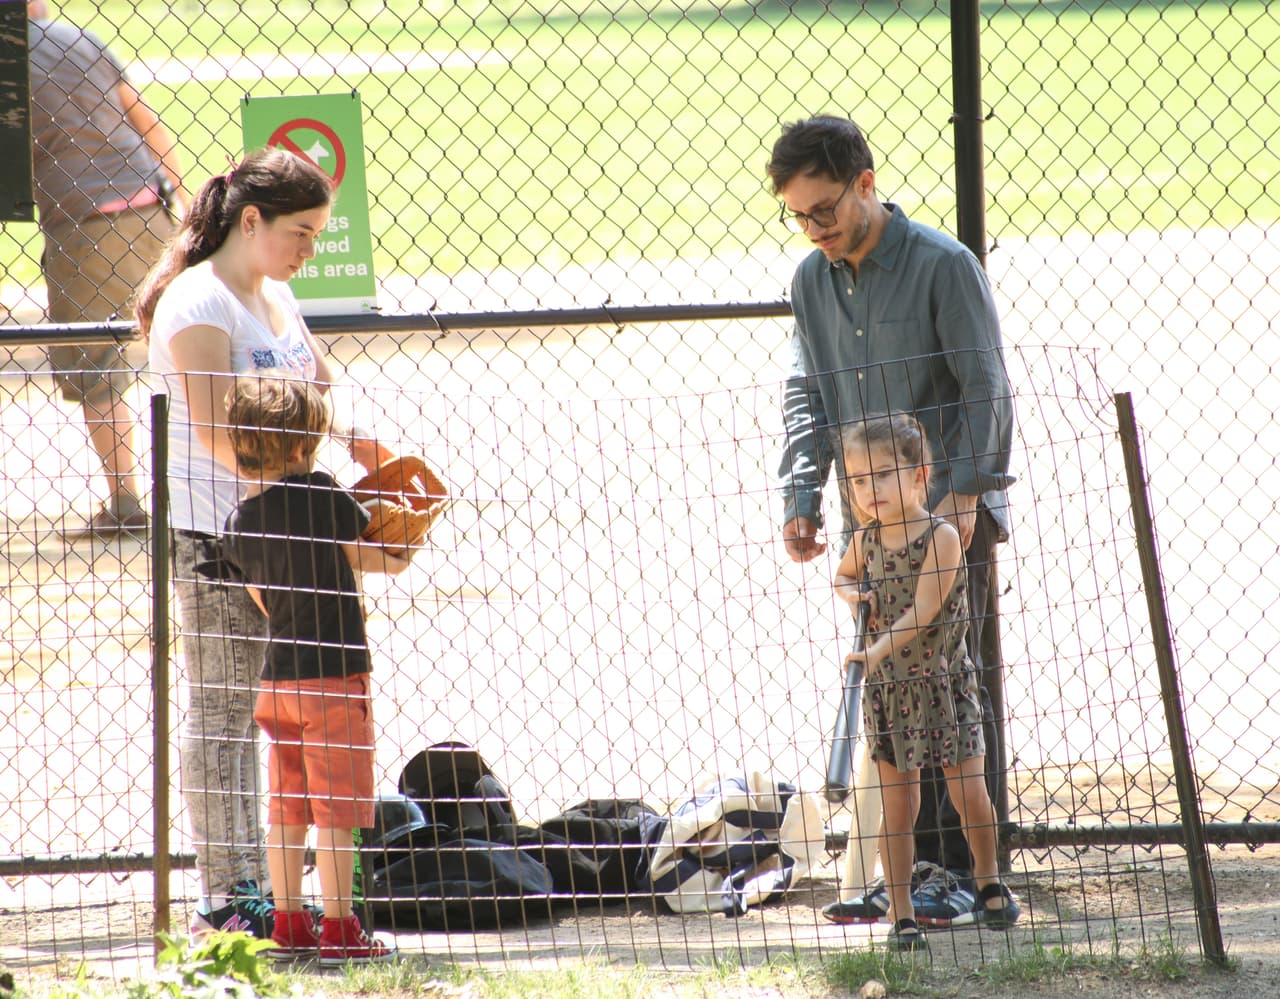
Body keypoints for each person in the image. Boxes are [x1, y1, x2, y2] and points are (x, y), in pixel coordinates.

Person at [765, 115, 1015, 914]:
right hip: (870, 526)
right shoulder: (811, 282)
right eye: (798, 216)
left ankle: (965, 877)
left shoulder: (943, 264)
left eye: (825, 209)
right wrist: (802, 496)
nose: (814, 229)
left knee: (949, 689)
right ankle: (903, 880)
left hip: (946, 518)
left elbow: (986, 386)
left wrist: (964, 492)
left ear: (866, 184)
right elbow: (808, 396)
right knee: (891, 692)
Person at [136, 147, 385, 939]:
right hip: (219, 534)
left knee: (278, 714)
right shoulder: (199, 302)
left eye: (317, 234)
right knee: (226, 709)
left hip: (281, 531)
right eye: (300, 232)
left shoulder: (273, 293)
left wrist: (357, 443)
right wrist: (298, 500)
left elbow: (316, 388)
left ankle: (277, 896)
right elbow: (219, 433)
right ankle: (227, 892)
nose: (309, 249)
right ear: (251, 220)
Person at [222, 373, 402, 964]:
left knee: (288, 807)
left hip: (278, 681)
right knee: (337, 812)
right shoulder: (324, 495)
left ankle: (289, 924)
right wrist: (402, 540)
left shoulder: (240, 522)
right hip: (334, 675)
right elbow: (375, 552)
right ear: (304, 446)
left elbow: (262, 600)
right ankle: (341, 928)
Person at [827, 413, 1018, 950]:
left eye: (882, 475)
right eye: (858, 480)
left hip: (943, 686)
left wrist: (874, 650)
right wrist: (852, 594)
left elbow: (924, 611)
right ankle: (902, 912)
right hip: (891, 693)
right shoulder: (866, 539)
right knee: (898, 807)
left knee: (968, 793)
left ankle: (987, 880)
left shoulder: (942, 537)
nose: (869, 489)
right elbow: (842, 575)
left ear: (918, 475)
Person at [27, 0, 189, 536]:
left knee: (95, 364)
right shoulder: (82, 38)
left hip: (86, 221)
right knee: (185, 346)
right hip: (151, 208)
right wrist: (184, 202)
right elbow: (147, 122)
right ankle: (208, 485)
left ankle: (125, 503)